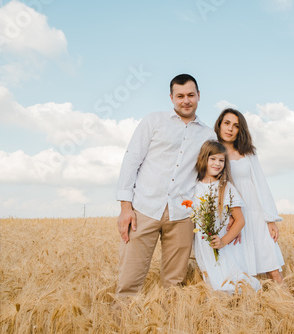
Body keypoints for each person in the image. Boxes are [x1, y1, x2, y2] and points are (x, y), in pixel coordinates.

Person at [115, 74, 216, 297]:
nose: (186, 100)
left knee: (174, 285)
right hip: (144, 209)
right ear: (171, 97)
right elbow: (131, 161)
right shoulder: (153, 121)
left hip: (182, 214)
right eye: (180, 96)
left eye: (191, 95)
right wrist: (125, 208)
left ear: (199, 96)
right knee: (129, 281)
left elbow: (211, 174)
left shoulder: (209, 134)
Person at [214, 108, 285, 283]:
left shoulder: (248, 152)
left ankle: (291, 304)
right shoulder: (213, 153)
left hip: (254, 211)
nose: (230, 129)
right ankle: (250, 305)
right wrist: (228, 214)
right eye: (227, 123)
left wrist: (270, 218)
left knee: (272, 264)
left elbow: (261, 184)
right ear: (219, 125)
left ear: (241, 130)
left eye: (236, 126)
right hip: (231, 213)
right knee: (240, 262)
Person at [191, 140, 260, 292]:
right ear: (204, 159)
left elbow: (240, 220)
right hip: (204, 246)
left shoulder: (226, 188)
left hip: (222, 244)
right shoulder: (194, 187)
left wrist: (223, 241)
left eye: (221, 160)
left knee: (230, 283)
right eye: (213, 159)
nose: (217, 163)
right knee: (212, 283)